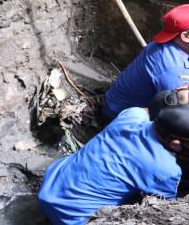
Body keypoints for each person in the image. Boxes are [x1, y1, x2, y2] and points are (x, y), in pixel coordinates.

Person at [38, 91, 189, 225]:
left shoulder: (133, 114)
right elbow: (166, 208)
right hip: (72, 217)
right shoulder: (166, 169)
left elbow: (150, 109)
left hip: (50, 184)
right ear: (175, 144)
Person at [103, 4, 189, 119]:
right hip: (123, 120)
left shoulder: (168, 44)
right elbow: (181, 115)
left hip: (118, 105)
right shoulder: (173, 70)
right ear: (186, 36)